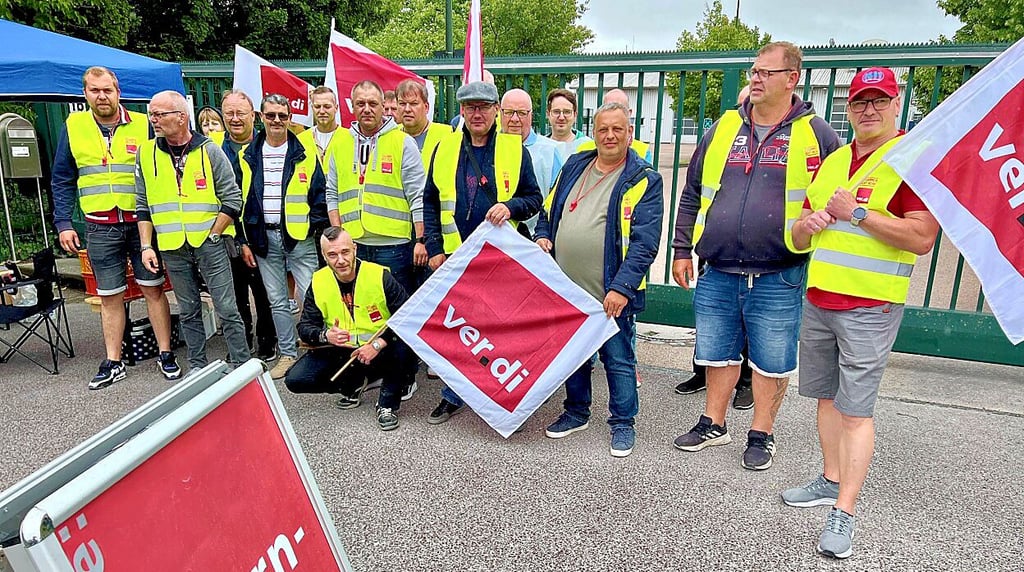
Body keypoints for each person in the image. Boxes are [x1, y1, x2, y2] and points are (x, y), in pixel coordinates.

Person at [781, 67, 939, 559]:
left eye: (879, 100)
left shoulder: (910, 160)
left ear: (896, 104)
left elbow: (922, 237)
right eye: (859, 102)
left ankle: (844, 513)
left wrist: (859, 213)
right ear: (848, 108)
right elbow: (796, 236)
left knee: (855, 411)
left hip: (870, 306)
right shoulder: (833, 161)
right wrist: (806, 225)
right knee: (826, 399)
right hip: (821, 299)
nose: (868, 110)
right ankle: (830, 480)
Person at [671, 41, 841, 471]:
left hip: (778, 273)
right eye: (754, 71)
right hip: (719, 268)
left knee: (770, 360)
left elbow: (834, 201)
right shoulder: (724, 128)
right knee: (716, 352)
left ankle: (761, 433)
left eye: (767, 72)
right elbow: (692, 192)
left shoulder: (817, 134)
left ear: (792, 78)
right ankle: (714, 423)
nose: (756, 78)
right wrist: (680, 249)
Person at [535, 102, 663, 457]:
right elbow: (549, 209)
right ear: (594, 132)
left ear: (630, 134)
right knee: (574, 356)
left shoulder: (644, 178)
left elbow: (645, 243)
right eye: (603, 129)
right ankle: (576, 412)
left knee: (618, 359)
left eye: (617, 129)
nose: (609, 136)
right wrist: (543, 234)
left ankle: (623, 423)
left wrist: (622, 287)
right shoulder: (576, 164)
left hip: (611, 291)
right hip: (566, 288)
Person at [421, 80, 544, 424]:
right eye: (470, 107)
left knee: (502, 332)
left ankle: (504, 396)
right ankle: (452, 395)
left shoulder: (515, 148)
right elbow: (430, 201)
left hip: (500, 260)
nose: (477, 113)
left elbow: (534, 199)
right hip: (454, 258)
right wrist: (433, 247)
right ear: (461, 110)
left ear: (496, 112)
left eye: (484, 107)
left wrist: (510, 206)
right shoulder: (444, 148)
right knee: (460, 331)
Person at [52, 66, 180, 389]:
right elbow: (62, 178)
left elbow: (162, 169)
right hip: (99, 226)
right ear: (85, 94)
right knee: (109, 296)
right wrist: (64, 222)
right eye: (94, 91)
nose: (102, 96)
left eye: (107, 90)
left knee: (153, 288)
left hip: (141, 224)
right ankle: (113, 361)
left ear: (117, 91)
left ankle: (165, 353)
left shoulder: (142, 124)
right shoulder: (74, 127)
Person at [135, 90, 251, 370]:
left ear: (181, 117)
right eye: (152, 114)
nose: (154, 120)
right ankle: (197, 366)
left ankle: (242, 365)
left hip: (209, 244)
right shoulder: (145, 153)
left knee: (227, 308)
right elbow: (143, 205)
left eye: (160, 114)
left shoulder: (210, 150)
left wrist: (215, 233)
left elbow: (233, 198)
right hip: (172, 245)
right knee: (188, 310)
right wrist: (146, 246)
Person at [285, 226, 414, 431]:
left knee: (404, 348)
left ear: (355, 248)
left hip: (383, 347)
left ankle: (387, 404)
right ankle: (354, 384)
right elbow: (305, 327)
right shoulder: (319, 281)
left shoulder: (379, 276)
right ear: (324, 256)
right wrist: (324, 335)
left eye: (345, 252)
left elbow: (408, 317)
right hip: (345, 351)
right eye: (332, 255)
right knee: (295, 380)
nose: (341, 260)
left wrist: (378, 344)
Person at [674, 83, 754, 410]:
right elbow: (692, 192)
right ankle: (702, 372)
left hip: (760, 263)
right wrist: (682, 249)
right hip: (715, 254)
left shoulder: (789, 138)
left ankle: (746, 382)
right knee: (709, 323)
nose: (746, 110)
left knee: (748, 325)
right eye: (740, 105)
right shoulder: (721, 135)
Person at [238, 94, 328, 380]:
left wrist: (314, 228)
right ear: (260, 117)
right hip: (264, 238)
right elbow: (243, 199)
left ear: (290, 118)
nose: (277, 120)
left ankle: (317, 350)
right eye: (271, 115)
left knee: (312, 296)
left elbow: (319, 195)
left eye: (282, 115)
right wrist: (245, 239)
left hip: (299, 237)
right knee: (277, 301)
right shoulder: (247, 155)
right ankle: (288, 354)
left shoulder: (305, 152)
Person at [325, 80, 426, 296]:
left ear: (384, 105)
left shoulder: (403, 142)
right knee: (365, 305)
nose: (367, 109)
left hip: (394, 245)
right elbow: (332, 193)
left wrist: (421, 240)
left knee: (398, 308)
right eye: (360, 103)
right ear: (352, 106)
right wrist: (338, 234)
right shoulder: (340, 144)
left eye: (373, 103)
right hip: (354, 244)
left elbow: (418, 195)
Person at [217, 90, 278, 361]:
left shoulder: (270, 146)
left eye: (241, 113)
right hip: (230, 235)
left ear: (253, 115)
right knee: (236, 294)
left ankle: (268, 341)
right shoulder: (214, 151)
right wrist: (240, 240)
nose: (235, 119)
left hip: (264, 232)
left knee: (266, 294)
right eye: (229, 113)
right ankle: (242, 342)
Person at [499, 88, 563, 235]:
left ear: (531, 115)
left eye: (521, 113)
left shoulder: (552, 151)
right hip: (497, 240)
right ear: (500, 113)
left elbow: (557, 201)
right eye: (509, 112)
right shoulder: (490, 148)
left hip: (537, 240)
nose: (515, 119)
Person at [576, 89, 653, 164]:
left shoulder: (643, 151)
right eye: (608, 107)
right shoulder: (583, 149)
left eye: (620, 108)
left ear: (629, 113)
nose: (613, 112)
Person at [298, 86, 342, 166]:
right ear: (312, 108)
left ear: (336, 108)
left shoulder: (350, 137)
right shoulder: (300, 140)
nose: (322, 111)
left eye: (327, 107)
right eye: (317, 107)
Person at [545, 88, 592, 159]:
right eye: (556, 111)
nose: (561, 117)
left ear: (575, 115)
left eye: (567, 112)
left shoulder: (588, 146)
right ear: (548, 114)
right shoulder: (541, 146)